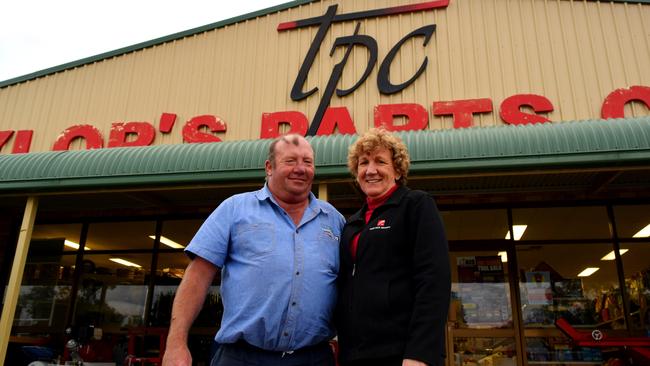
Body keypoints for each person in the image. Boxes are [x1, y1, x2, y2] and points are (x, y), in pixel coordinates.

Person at [162, 134, 345, 366]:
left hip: (314, 358)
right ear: (269, 167)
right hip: (242, 357)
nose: (301, 169)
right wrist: (176, 343)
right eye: (291, 161)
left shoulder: (333, 220)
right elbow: (197, 277)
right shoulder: (234, 209)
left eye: (307, 162)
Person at [335, 128, 451, 366]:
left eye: (380, 161)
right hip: (355, 353)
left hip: (401, 353)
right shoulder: (353, 223)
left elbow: (433, 282)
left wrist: (420, 353)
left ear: (397, 170)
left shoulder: (416, 206)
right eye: (363, 163)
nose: (370, 170)